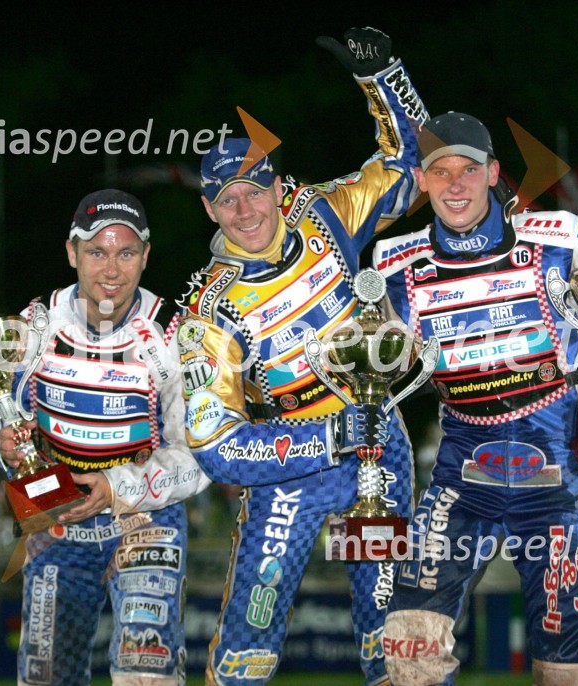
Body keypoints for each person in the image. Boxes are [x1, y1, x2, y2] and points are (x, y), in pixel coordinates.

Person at [374, 113, 578, 685]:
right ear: (421, 179)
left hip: (559, 481)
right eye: (440, 171)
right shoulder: (394, 266)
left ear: (492, 173)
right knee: (409, 651)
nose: (455, 183)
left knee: (563, 672)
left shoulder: (560, 239)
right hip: (461, 479)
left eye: (468, 169)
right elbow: (371, 369)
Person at [175, 28, 426, 686]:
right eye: (227, 199)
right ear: (209, 208)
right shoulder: (206, 312)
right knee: (249, 643)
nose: (245, 207)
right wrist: (327, 436)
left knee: (393, 633)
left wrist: (384, 80)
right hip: (286, 475)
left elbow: (410, 171)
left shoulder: (322, 214)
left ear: (276, 185)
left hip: (381, 452)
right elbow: (216, 444)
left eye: (254, 189)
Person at [0, 189, 210, 686]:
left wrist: (116, 487)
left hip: (146, 521)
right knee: (45, 676)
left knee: (147, 674)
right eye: (97, 252)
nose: (111, 270)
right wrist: (3, 448)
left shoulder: (174, 337)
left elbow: (201, 455)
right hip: (56, 523)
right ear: (72, 252)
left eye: (125, 253)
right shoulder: (33, 327)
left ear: (145, 257)